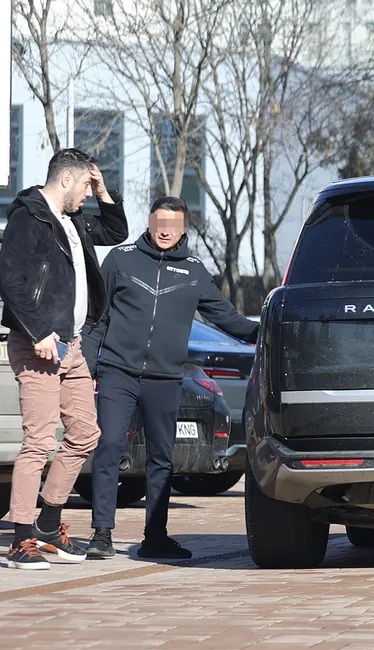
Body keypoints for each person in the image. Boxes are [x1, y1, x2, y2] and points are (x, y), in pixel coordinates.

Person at [82, 196, 258, 559]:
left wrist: (267, 327)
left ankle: (155, 538)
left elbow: (227, 318)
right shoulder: (121, 259)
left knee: (162, 457)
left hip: (165, 378)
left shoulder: (194, 271)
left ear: (183, 228)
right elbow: (96, 317)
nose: (165, 231)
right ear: (150, 222)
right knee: (109, 446)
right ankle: (101, 534)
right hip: (117, 371)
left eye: (173, 225)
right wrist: (88, 367)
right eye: (160, 223)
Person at [0, 149, 129, 570]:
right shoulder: (30, 217)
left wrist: (105, 190)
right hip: (38, 344)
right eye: (87, 186)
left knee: (86, 434)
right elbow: (11, 281)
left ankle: (48, 525)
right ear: (67, 179)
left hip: (71, 347)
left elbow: (116, 230)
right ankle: (21, 540)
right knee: (39, 442)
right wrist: (38, 332)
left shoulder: (74, 220)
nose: (89, 195)